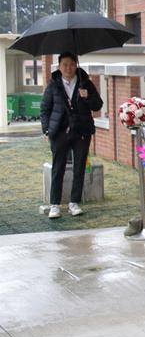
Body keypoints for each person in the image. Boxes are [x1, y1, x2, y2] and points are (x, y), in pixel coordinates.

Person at [40, 51, 103, 218]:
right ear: (59, 67)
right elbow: (45, 109)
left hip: (81, 132)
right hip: (59, 133)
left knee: (79, 167)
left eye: (71, 64)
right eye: (64, 65)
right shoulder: (53, 84)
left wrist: (87, 96)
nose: (68, 68)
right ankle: (55, 205)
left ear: (76, 65)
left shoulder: (85, 83)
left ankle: (74, 203)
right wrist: (46, 129)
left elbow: (98, 105)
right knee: (58, 167)